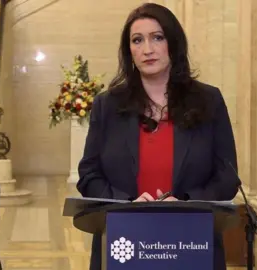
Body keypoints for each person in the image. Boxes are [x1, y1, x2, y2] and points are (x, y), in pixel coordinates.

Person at [76, 3, 239, 270]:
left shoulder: (208, 100)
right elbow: (89, 175)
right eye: (137, 40)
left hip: (190, 240)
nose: (147, 49)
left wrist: (186, 204)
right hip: (124, 241)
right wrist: (128, 205)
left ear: (173, 44)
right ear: (129, 51)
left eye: (157, 37)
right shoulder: (108, 105)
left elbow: (227, 176)